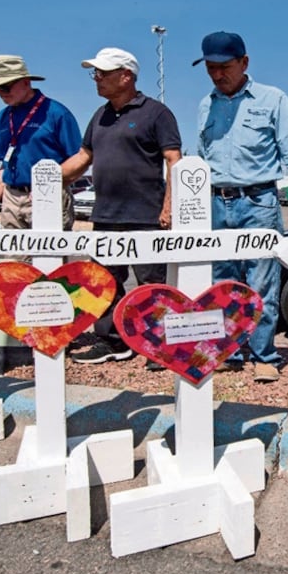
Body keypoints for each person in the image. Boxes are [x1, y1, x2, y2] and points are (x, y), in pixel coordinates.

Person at [194, 31, 288, 382]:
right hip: (215, 203)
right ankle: (230, 352)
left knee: (262, 280)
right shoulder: (206, 104)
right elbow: (201, 159)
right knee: (222, 282)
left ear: (245, 63)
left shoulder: (272, 99)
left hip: (260, 202)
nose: (218, 75)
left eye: (225, 67)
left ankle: (264, 354)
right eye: (211, 68)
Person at [61, 47, 182, 366]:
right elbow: (84, 157)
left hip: (146, 216)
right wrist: (48, 180)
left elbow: (173, 160)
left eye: (103, 73)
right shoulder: (99, 116)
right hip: (105, 217)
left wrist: (169, 206)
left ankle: (156, 345)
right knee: (105, 283)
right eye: (95, 73)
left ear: (126, 76)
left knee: (151, 285)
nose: (96, 79)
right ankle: (114, 342)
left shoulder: (156, 113)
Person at [0, 55, 82, 233]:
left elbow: (79, 159)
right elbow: (5, 165)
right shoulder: (1, 119)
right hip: (11, 196)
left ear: (25, 82)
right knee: (14, 258)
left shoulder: (56, 114)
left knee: (49, 255)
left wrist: (52, 186)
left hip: (49, 194)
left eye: (6, 86)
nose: (1, 93)